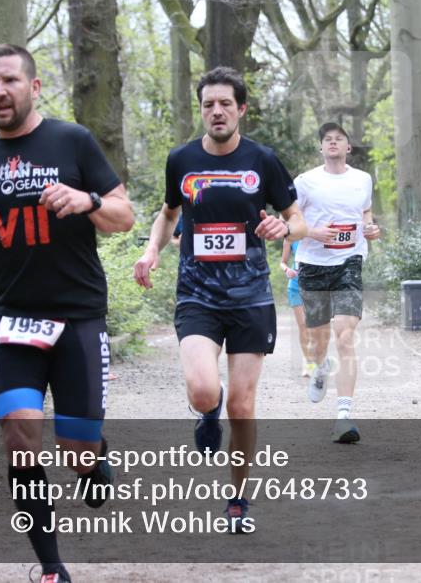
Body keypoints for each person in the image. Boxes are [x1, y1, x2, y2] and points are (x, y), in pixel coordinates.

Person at [0, 44, 134, 583]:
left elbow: (124, 215)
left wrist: (86, 200)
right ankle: (51, 567)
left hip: (79, 317)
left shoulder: (73, 141)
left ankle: (93, 456)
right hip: (12, 318)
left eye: (10, 81)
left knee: (78, 456)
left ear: (34, 86)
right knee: (20, 435)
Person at [132, 66, 304, 532]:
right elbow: (167, 215)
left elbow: (297, 218)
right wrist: (152, 251)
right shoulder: (181, 160)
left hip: (250, 298)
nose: (217, 111)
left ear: (241, 109)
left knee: (243, 406)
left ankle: (238, 497)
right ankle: (206, 411)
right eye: (209, 104)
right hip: (198, 296)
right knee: (206, 390)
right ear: (202, 110)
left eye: (226, 103)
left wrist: (284, 227)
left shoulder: (262, 160)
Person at [294, 121, 380, 443]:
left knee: (345, 336)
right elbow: (288, 224)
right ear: (321, 148)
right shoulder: (305, 182)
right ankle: (319, 367)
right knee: (318, 342)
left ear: (348, 147)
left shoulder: (362, 180)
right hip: (313, 266)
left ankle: (344, 416)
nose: (333, 143)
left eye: (339, 139)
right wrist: (312, 232)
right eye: (327, 139)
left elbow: (366, 214)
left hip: (349, 262)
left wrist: (371, 228)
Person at [280, 238, 314, 376]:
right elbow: (282, 262)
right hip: (295, 286)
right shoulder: (290, 237)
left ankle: (319, 359)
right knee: (303, 326)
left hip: (316, 286)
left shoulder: (317, 233)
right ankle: (309, 363)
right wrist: (287, 269)